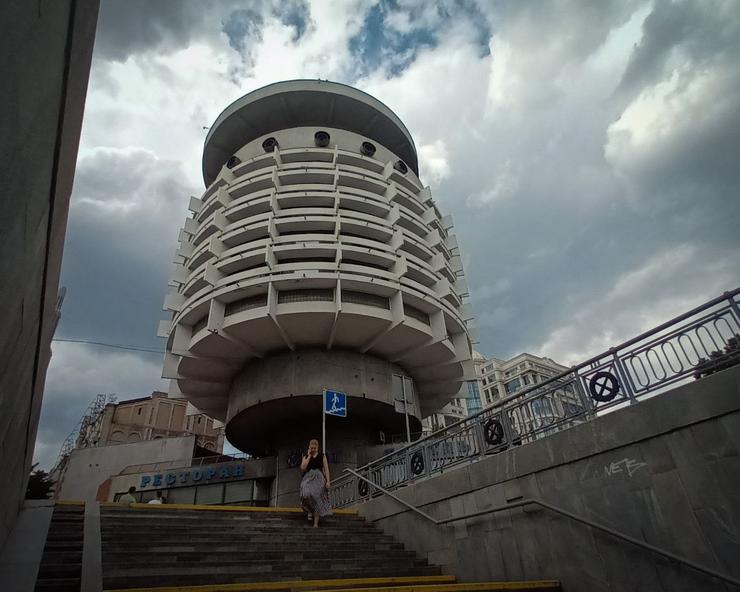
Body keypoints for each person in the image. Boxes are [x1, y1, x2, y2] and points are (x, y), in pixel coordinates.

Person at [299, 439, 332, 527]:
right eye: (311, 448)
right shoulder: (306, 456)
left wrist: (328, 481)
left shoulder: (322, 456)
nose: (313, 449)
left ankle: (315, 523)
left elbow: (326, 469)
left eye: (314, 448)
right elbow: (303, 467)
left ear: (317, 447)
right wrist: (309, 456)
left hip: (319, 478)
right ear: (309, 447)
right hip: (308, 478)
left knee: (317, 498)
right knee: (305, 494)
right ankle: (309, 510)